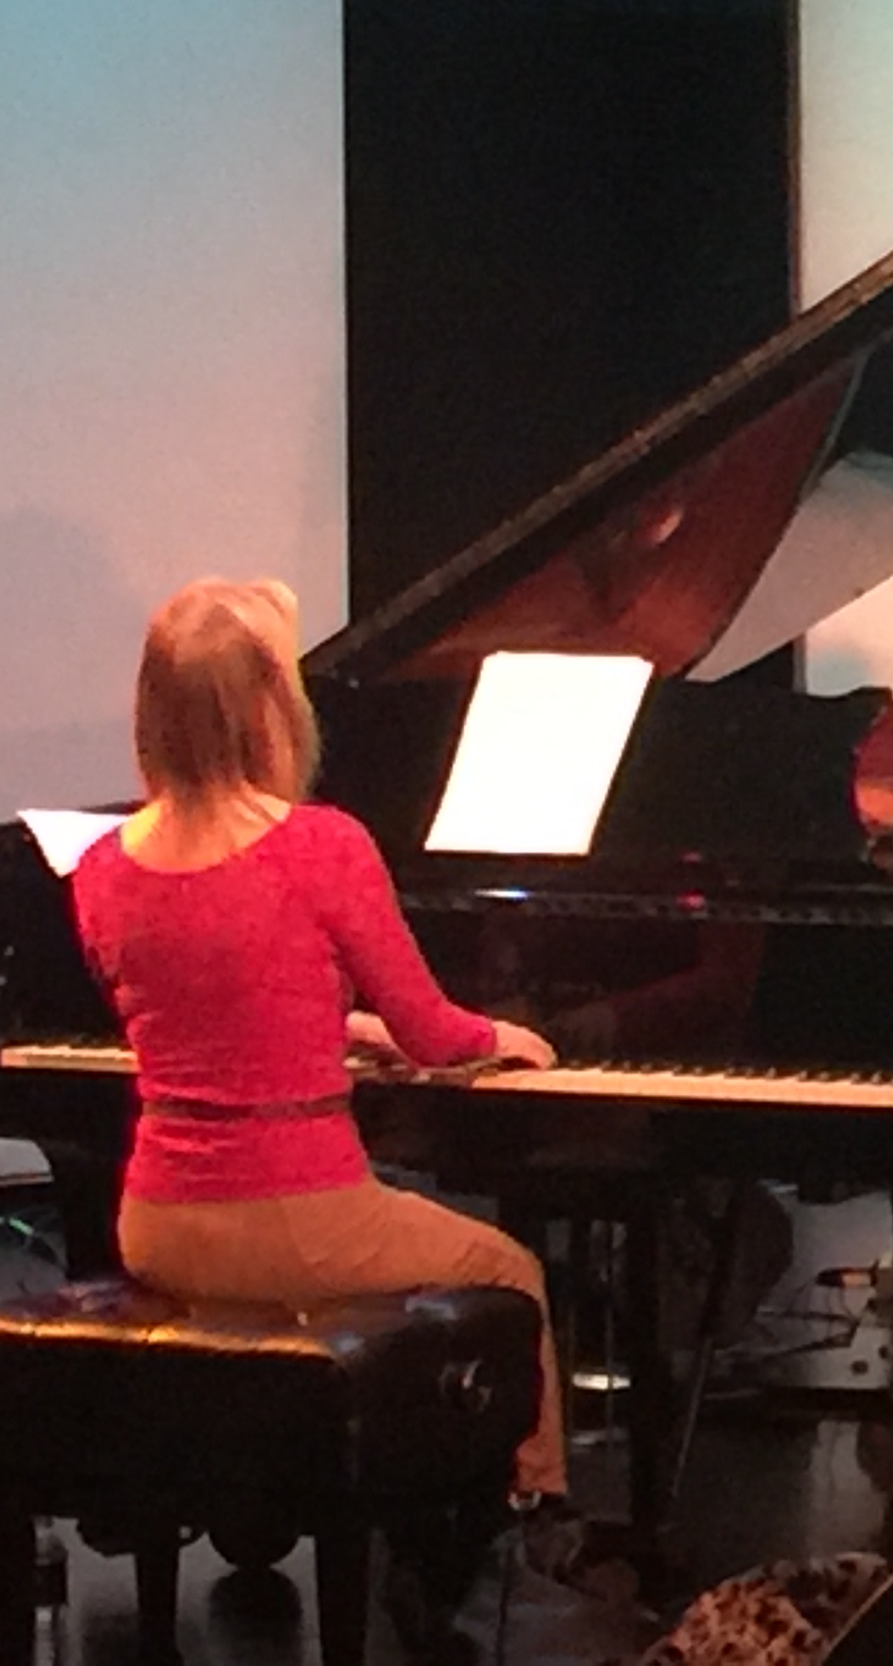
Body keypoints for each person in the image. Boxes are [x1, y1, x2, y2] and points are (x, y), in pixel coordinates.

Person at [66, 578, 568, 1503]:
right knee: (510, 1270)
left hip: (155, 1225)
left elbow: (191, 1010)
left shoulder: (99, 867)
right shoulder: (320, 845)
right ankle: (530, 1507)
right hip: (298, 1219)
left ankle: (292, 1486)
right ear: (269, 707)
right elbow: (435, 1036)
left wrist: (334, 1025)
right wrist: (505, 1034)